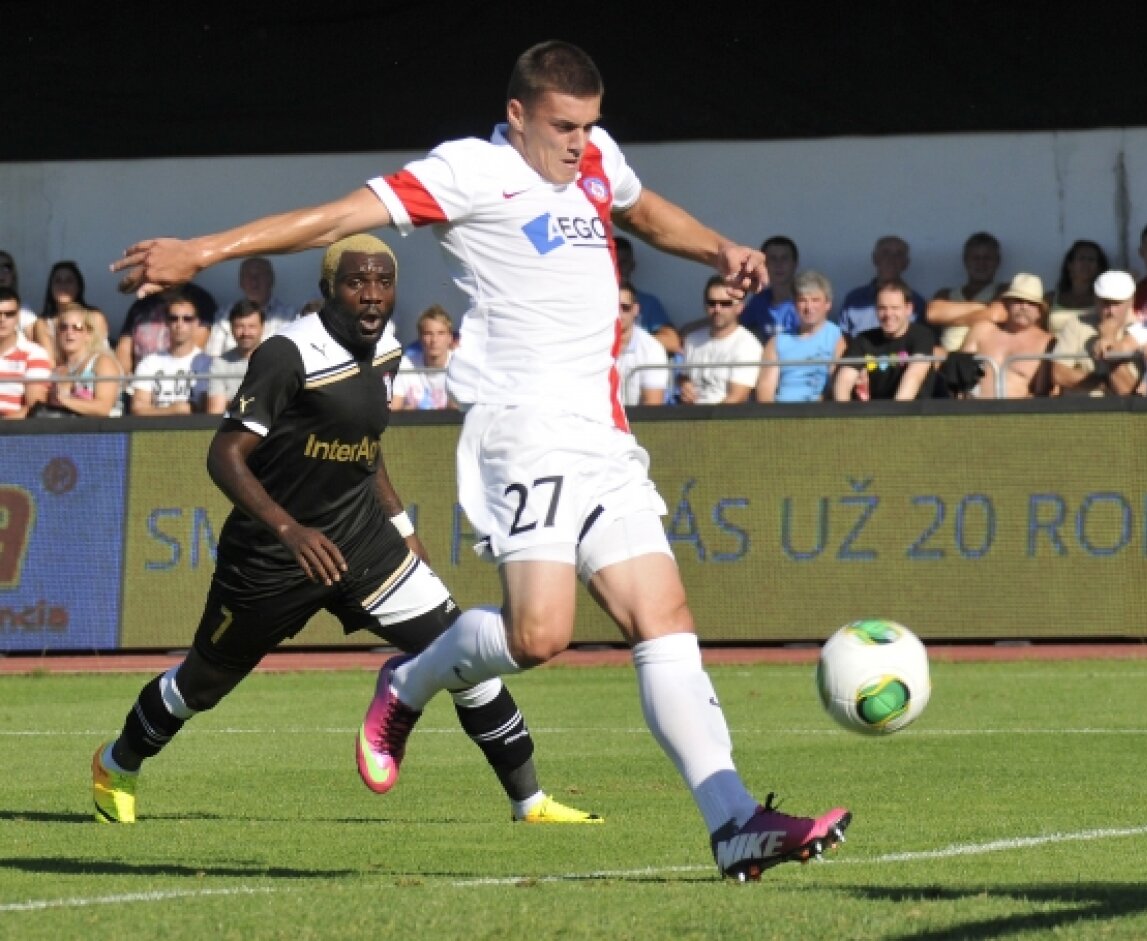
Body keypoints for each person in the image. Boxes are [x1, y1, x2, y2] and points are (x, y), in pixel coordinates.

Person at [111, 39, 850, 881]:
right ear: (518, 117)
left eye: (590, 126)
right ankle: (411, 681)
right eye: (564, 127)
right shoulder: (468, 171)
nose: (580, 143)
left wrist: (719, 249)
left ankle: (734, 821)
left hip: (604, 434)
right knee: (541, 635)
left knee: (664, 617)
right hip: (522, 428)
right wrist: (204, 251)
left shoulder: (598, 160)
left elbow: (643, 212)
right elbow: (337, 216)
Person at [93, 235, 600, 828]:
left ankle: (529, 802)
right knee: (201, 683)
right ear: (327, 291)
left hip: (362, 542)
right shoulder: (288, 354)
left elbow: (366, 450)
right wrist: (289, 529)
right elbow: (224, 455)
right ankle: (116, 764)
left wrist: (401, 525)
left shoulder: (387, 349)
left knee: (461, 648)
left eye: (383, 282)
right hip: (271, 558)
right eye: (357, 282)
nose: (372, 296)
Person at [832, 279, 937, 401]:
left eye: (895, 308)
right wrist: (844, 416)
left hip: (913, 412)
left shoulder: (922, 336)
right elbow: (844, 381)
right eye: (882, 308)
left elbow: (914, 376)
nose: (888, 314)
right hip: (873, 413)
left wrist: (894, 416)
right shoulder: (863, 339)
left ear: (908, 309)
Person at [958, 273, 1058, 399]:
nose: (1024, 307)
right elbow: (959, 375)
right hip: (972, 410)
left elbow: (1043, 393)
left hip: (1018, 413)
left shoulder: (1047, 342)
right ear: (1006, 304)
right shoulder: (982, 330)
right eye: (1018, 301)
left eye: (1031, 303)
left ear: (1039, 312)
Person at [756, 270, 846, 403]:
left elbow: (837, 386)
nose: (809, 307)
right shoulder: (777, 342)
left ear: (828, 304)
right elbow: (765, 390)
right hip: (781, 413)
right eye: (802, 300)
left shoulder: (837, 338)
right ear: (794, 304)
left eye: (815, 300)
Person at [1051, 270, 1143, 397]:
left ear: (1131, 301)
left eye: (1117, 303)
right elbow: (1059, 374)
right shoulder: (1076, 324)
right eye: (1105, 303)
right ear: (1095, 299)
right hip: (1079, 410)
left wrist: (1108, 338)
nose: (1111, 310)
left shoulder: (1141, 332)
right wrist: (1102, 383)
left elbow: (1126, 390)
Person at [678, 276, 763, 405]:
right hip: (689, 417)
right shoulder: (692, 339)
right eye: (712, 303)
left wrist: (707, 423)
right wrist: (684, 385)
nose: (717, 309)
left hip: (726, 419)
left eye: (725, 303)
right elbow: (685, 377)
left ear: (740, 307)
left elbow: (736, 398)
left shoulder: (748, 346)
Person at [128, 291, 212, 415]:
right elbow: (138, 408)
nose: (179, 324)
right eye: (174, 318)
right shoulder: (149, 362)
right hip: (157, 430)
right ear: (166, 322)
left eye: (187, 319)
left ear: (196, 323)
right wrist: (173, 410)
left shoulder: (208, 363)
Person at [115, 280, 217, 375]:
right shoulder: (142, 303)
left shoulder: (200, 300)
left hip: (180, 379)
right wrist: (124, 380)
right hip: (141, 380)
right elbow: (124, 349)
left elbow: (195, 348)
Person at [39, 305, 125, 417]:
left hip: (106, 430)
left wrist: (63, 400)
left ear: (88, 334)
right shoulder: (57, 371)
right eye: (63, 327)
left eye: (77, 327)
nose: (69, 332)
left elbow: (103, 408)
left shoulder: (102, 362)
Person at [205, 256, 297, 356]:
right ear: (241, 282)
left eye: (260, 275)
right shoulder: (224, 315)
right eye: (248, 276)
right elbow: (213, 355)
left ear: (271, 280)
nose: (254, 282)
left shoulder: (289, 316)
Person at [837, 235, 927, 337]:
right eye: (885, 253)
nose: (891, 259)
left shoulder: (917, 302)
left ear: (906, 263)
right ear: (875, 259)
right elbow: (843, 339)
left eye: (898, 254)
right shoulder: (854, 299)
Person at [931, 232, 1003, 353]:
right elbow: (932, 313)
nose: (981, 263)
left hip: (982, 362)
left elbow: (997, 315)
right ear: (965, 260)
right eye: (975, 258)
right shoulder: (945, 294)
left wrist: (949, 316)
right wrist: (985, 309)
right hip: (945, 363)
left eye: (987, 258)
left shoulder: (1004, 290)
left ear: (997, 261)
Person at [34, 260, 109, 361]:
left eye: (69, 281)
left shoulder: (95, 316)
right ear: (51, 288)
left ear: (79, 287)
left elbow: (98, 353)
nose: (63, 285)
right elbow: (49, 361)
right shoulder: (42, 323)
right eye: (58, 281)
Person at [390, 304, 456, 410]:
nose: (434, 340)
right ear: (420, 338)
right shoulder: (405, 364)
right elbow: (393, 408)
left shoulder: (459, 364)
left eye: (441, 333)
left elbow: (457, 412)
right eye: (428, 334)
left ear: (450, 338)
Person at [205, 299, 265, 415]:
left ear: (262, 327)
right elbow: (215, 411)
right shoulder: (220, 364)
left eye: (252, 326)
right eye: (239, 326)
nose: (245, 333)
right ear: (231, 328)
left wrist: (231, 403)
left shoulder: (276, 361)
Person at [0, 287, 52, 418]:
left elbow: (34, 407)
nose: (2, 319)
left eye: (9, 314)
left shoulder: (35, 354)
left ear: (18, 316)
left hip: (11, 429)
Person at [615, 281, 670, 406]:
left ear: (635, 309)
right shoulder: (593, 345)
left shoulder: (652, 349)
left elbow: (652, 405)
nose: (619, 313)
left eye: (625, 307)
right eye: (614, 307)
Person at [738, 234, 799, 344]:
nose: (779, 264)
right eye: (773, 259)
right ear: (764, 265)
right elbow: (730, 322)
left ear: (794, 264)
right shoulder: (759, 301)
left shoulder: (806, 301)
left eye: (784, 258)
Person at [1046, 239, 1109, 334]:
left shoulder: (1106, 300)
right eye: (1081, 259)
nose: (1086, 264)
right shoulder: (1050, 299)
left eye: (1091, 260)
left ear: (1099, 267)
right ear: (1070, 265)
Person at [614, 235, 672, 334]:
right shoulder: (591, 302)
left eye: (623, 263)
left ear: (632, 266)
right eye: (615, 263)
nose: (619, 268)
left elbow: (671, 340)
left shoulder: (648, 303)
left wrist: (631, 345)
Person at [0, 250, 39, 339]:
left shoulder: (25, 313)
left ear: (13, 275)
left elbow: (33, 349)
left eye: (6, 268)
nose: (1, 273)